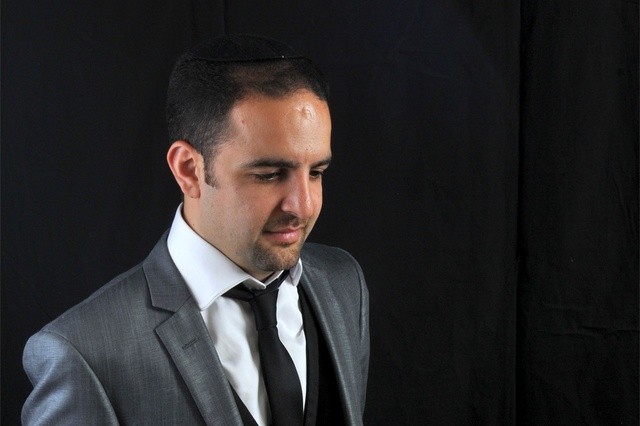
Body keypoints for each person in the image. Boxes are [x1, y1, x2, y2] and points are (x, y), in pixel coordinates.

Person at [21, 34, 369, 426]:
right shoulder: (85, 356)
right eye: (270, 174)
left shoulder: (343, 284)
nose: (303, 206)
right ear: (188, 170)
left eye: (317, 172)